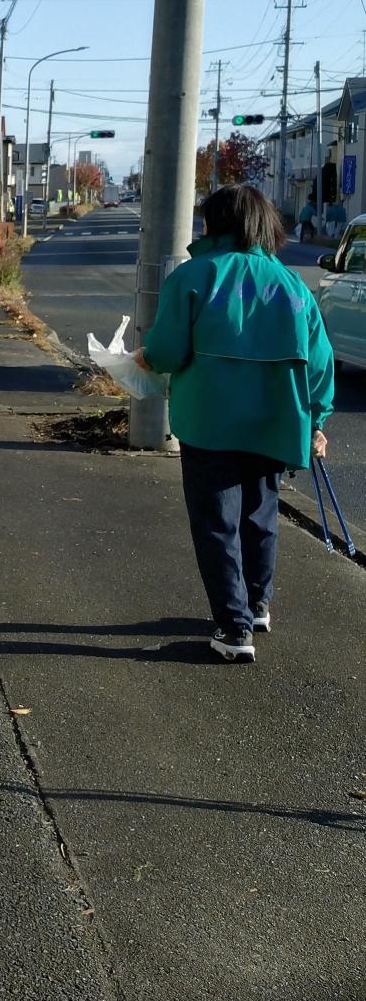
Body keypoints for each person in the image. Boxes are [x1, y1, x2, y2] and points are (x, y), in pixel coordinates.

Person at [136, 183, 334, 662]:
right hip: (277, 420)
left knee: (216, 523)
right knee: (261, 514)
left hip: (209, 421)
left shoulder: (194, 276)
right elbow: (320, 364)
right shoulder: (292, 286)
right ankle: (257, 604)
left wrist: (144, 359)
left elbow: (165, 351)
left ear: (216, 224)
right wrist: (316, 421)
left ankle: (233, 628)